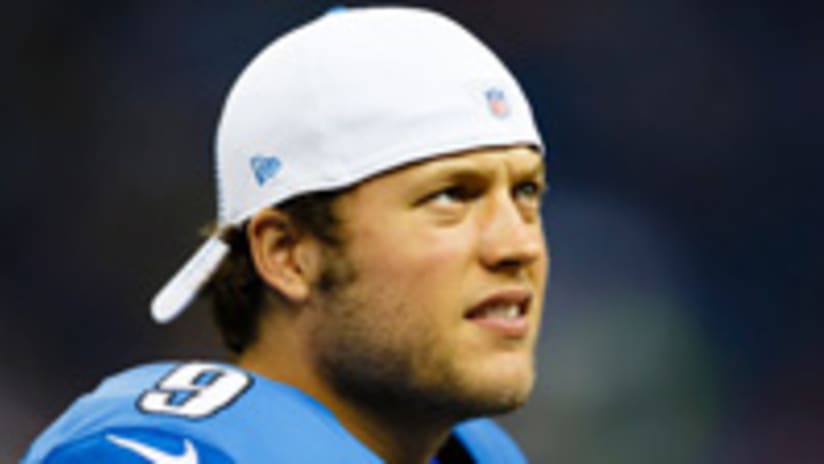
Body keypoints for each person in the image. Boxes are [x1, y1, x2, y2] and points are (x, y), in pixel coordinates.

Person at [23, 5, 548, 463]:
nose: (519, 245)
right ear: (288, 254)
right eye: (451, 196)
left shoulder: (473, 452)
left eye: (526, 192)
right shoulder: (155, 452)